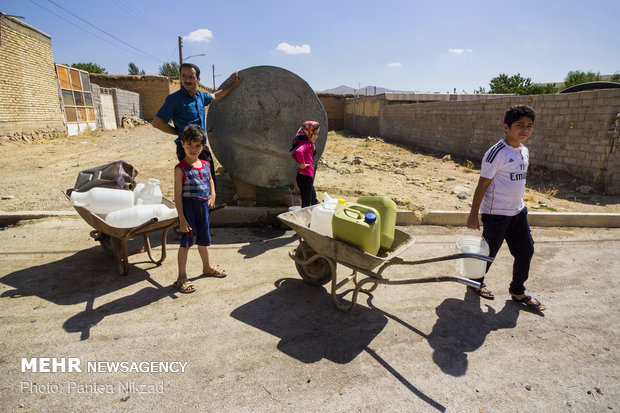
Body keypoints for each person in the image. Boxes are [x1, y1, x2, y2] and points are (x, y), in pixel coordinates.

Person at [466, 104, 545, 311]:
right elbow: (482, 184)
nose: (525, 130)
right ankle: (475, 282)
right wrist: (473, 214)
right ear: (506, 127)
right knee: (488, 253)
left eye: (529, 126)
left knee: (525, 250)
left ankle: (518, 290)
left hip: (518, 213)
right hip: (496, 215)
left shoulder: (524, 151)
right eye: (520, 125)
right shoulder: (496, 153)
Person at [152, 63, 242, 189]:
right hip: (187, 149)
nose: (187, 80)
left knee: (209, 179)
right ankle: (196, 207)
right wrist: (178, 132)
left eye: (191, 77)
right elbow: (157, 122)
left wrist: (233, 85)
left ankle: (211, 206)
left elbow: (216, 95)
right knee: (195, 184)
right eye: (184, 76)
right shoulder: (174, 99)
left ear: (198, 79)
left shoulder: (200, 96)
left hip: (201, 147)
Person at [173, 124, 226, 293]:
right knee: (186, 243)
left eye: (197, 145)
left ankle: (207, 267)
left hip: (203, 208)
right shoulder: (180, 169)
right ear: (182, 144)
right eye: (189, 144)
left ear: (203, 146)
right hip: (188, 209)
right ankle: (181, 276)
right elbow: (177, 196)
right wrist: (182, 219)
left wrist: (213, 195)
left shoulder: (205, 164)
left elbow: (210, 179)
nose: (193, 149)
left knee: (204, 240)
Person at [290, 121, 320, 207]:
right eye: (314, 134)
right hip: (305, 178)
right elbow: (298, 151)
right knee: (306, 202)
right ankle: (307, 218)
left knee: (313, 200)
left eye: (317, 134)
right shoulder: (306, 144)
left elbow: (294, 154)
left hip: (307, 178)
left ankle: (313, 215)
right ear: (308, 133)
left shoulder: (309, 144)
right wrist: (302, 163)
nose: (316, 136)